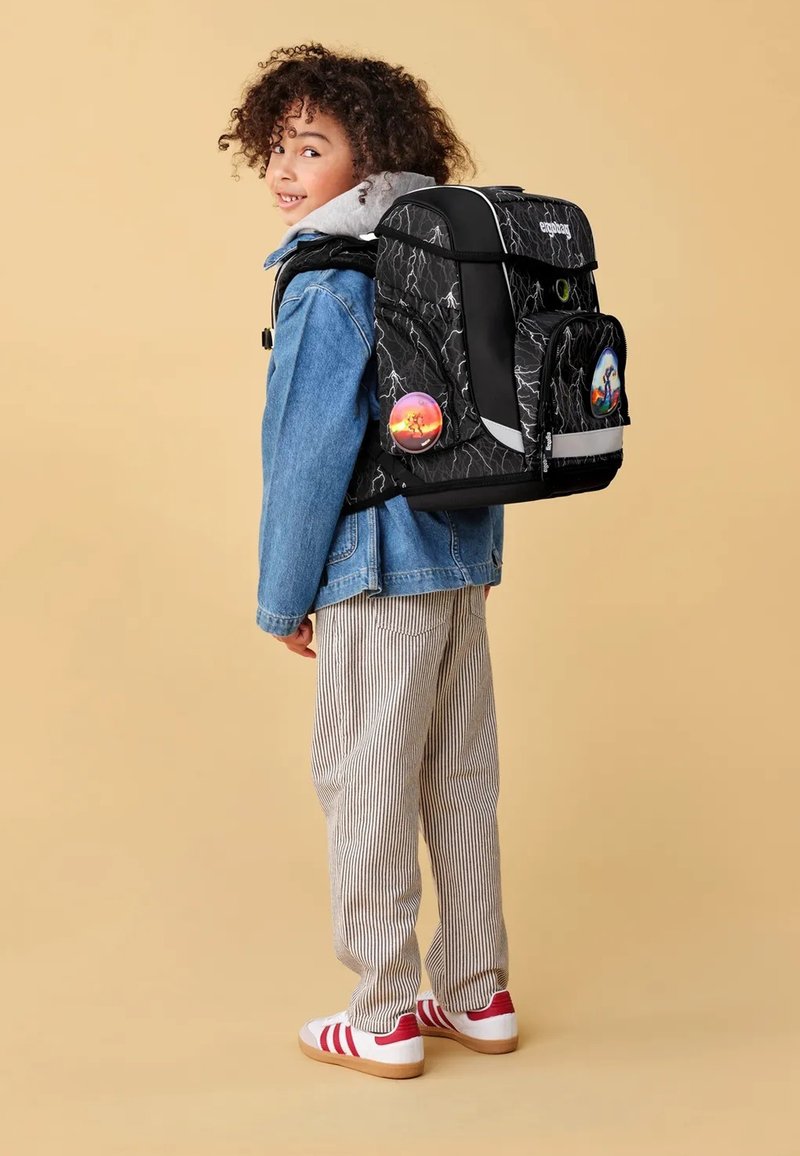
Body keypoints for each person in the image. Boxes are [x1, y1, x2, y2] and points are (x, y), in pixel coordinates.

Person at [219, 43, 518, 1079]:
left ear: (370, 158)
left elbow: (307, 453)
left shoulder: (326, 278)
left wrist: (282, 597)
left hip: (374, 568)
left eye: (311, 147)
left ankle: (384, 1012)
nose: (283, 170)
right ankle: (477, 993)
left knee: (364, 781)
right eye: (276, 147)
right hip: (460, 560)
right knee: (459, 777)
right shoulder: (441, 252)